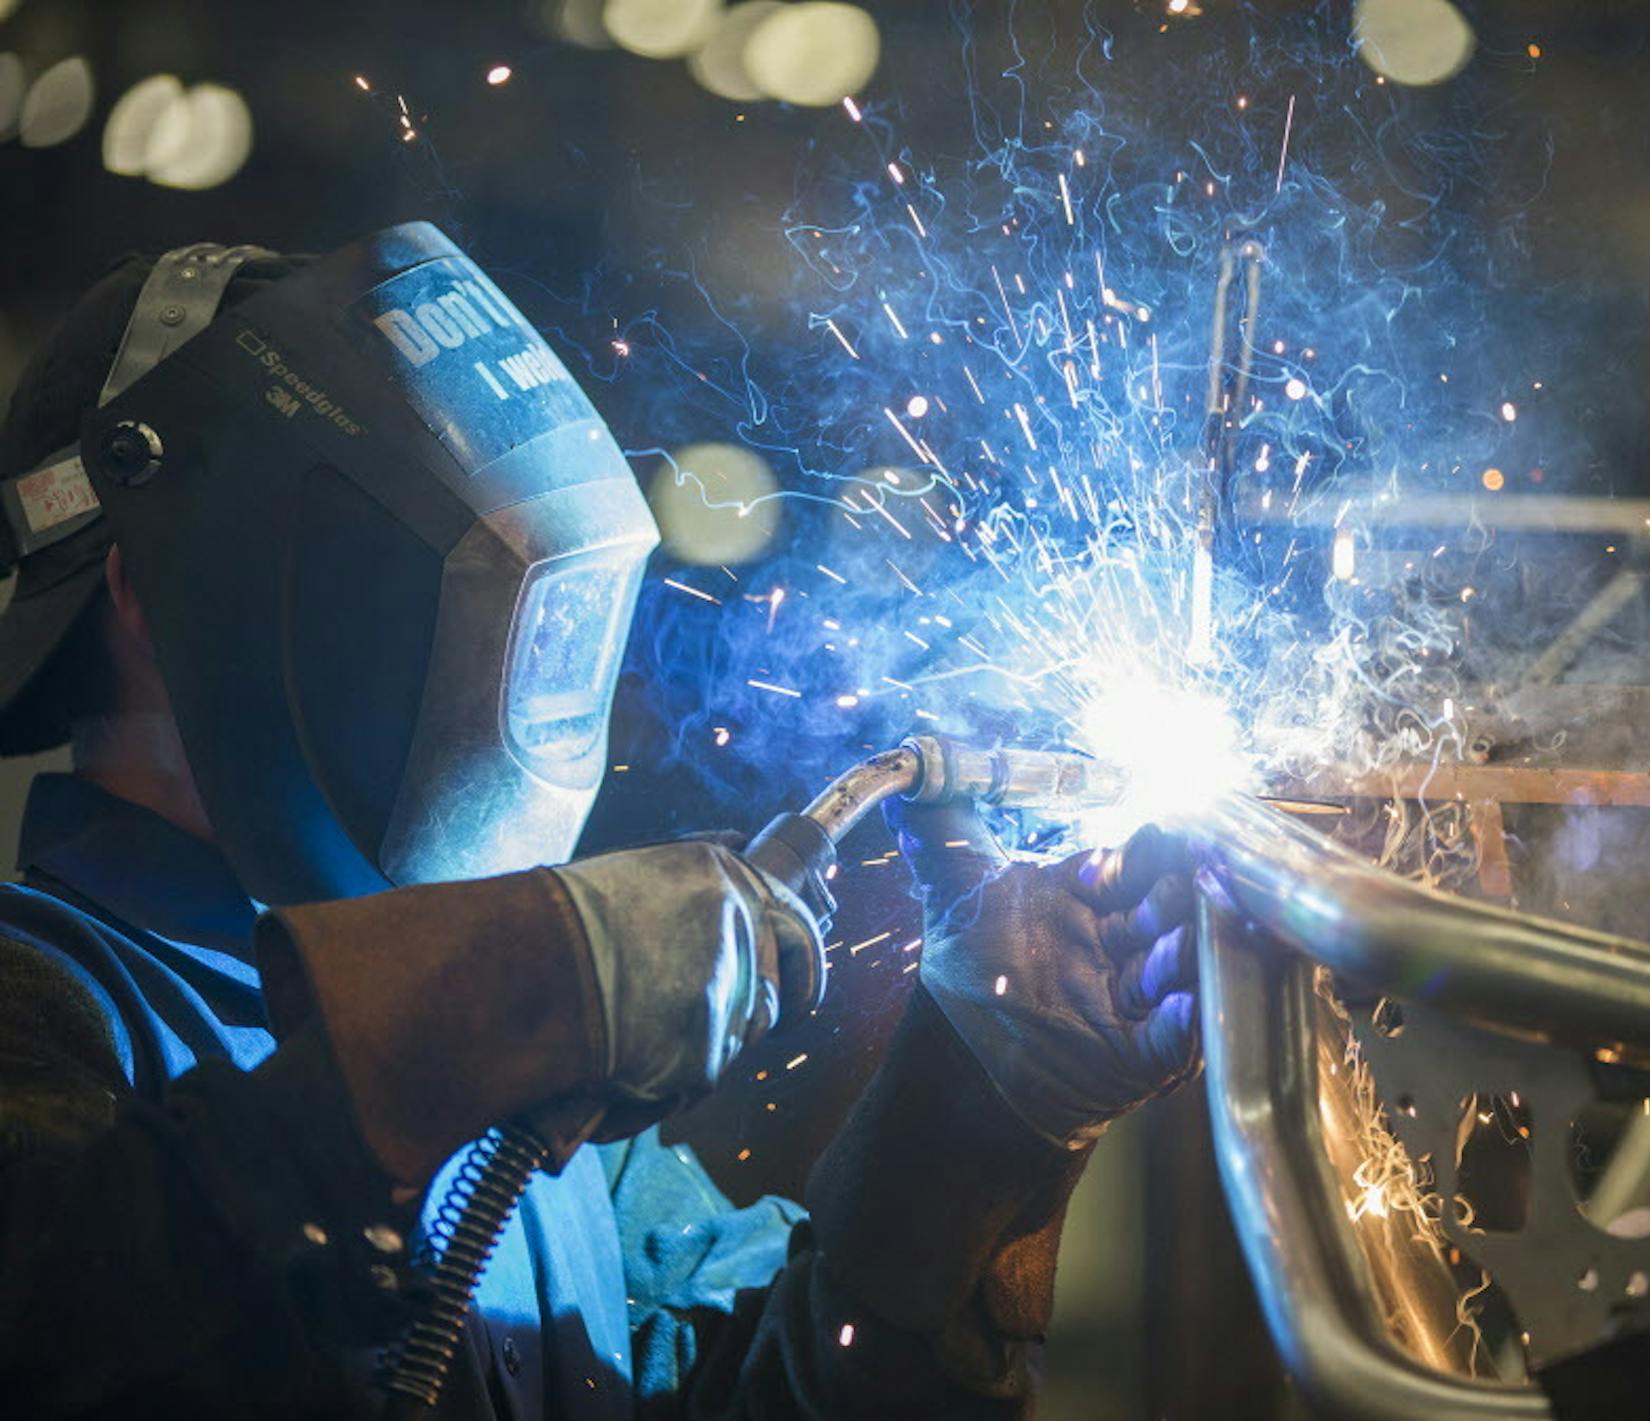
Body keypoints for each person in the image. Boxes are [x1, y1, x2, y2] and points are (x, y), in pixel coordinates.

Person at [0, 226, 1200, 1418]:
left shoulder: (556, 1137)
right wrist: (508, 990)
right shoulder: (44, 1010)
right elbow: (70, 1313)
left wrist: (987, 1103)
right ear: (151, 596)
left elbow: (782, 1387)